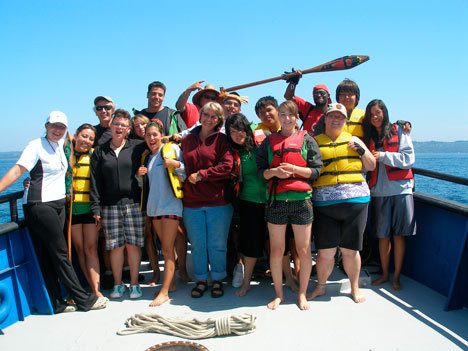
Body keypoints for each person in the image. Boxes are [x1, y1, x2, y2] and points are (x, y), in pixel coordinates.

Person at [0, 111, 108, 313]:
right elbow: (17, 170)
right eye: (54, 126)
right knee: (60, 253)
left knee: (51, 255)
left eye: (61, 127)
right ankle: (84, 300)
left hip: (59, 204)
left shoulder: (61, 145)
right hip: (40, 205)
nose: (57, 130)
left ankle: (57, 302)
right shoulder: (35, 146)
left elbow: (81, 140)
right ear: (46, 125)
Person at [256, 100, 322, 310]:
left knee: (303, 251)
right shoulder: (268, 142)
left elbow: (316, 171)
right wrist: (274, 172)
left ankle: (302, 293)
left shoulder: (307, 140)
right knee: (276, 251)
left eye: (290, 115)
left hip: (301, 202)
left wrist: (294, 169)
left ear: (296, 117)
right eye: (282, 114)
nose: (286, 118)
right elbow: (261, 172)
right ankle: (278, 294)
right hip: (276, 202)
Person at [308, 103, 376, 304]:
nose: (335, 120)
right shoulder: (314, 142)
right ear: (325, 119)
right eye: (332, 116)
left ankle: (354, 287)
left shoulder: (355, 140)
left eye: (340, 117)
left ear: (345, 121)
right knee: (325, 252)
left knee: (351, 250)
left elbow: (371, 165)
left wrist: (362, 151)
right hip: (325, 205)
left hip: (356, 202)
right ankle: (320, 287)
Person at [90, 109, 145, 300]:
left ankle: (135, 284)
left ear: (129, 129)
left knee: (133, 245)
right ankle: (118, 283)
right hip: (109, 205)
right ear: (111, 126)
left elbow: (158, 141)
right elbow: (95, 181)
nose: (119, 127)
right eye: (116, 124)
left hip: (132, 204)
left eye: (123, 125)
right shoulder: (99, 151)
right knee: (115, 246)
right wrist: (96, 208)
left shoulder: (137, 147)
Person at [181, 102, 234, 299]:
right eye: (206, 114)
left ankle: (218, 279)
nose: (209, 118)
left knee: (217, 244)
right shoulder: (188, 140)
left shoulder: (222, 140)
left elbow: (228, 166)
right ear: (200, 115)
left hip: (217, 201)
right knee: (197, 244)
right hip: (192, 201)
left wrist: (203, 174)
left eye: (214, 116)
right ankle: (202, 279)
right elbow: (182, 166)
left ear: (219, 120)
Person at [362, 99, 416, 291]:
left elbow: (409, 159)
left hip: (401, 191)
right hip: (378, 192)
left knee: (399, 235)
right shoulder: (367, 137)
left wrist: (383, 155)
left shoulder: (400, 130)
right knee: (383, 236)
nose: (375, 117)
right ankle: (385, 274)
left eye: (378, 112)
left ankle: (397, 277)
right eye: (371, 114)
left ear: (385, 112)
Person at [137, 121, 186, 306]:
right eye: (148, 135)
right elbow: (147, 186)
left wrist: (176, 164)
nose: (151, 138)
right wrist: (138, 176)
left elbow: (185, 171)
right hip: (154, 208)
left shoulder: (171, 148)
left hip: (171, 206)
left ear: (162, 134)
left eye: (154, 134)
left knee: (166, 250)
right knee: (167, 249)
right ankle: (170, 284)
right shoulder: (147, 158)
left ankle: (165, 292)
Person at [225, 113, 267, 297]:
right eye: (232, 131)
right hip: (248, 203)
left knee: (278, 245)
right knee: (250, 245)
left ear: (247, 129)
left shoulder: (262, 143)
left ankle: (289, 279)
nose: (237, 134)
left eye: (240, 129)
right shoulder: (232, 152)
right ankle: (246, 282)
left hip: (273, 201)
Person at [70, 123, 103, 297]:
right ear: (76, 135)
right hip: (72, 212)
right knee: (80, 249)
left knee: (91, 249)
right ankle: (89, 286)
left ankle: (96, 291)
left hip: (89, 210)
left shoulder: (94, 156)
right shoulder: (65, 155)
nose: (87, 141)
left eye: (91, 138)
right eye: (84, 136)